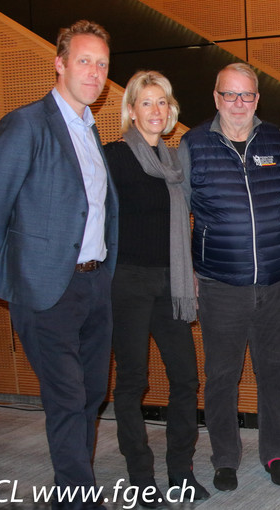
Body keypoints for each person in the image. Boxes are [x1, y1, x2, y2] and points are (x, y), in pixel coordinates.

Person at [0, 20, 117, 509]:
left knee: (91, 393)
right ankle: (77, 500)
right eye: (84, 61)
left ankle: (68, 491)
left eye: (102, 64)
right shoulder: (26, 124)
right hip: (45, 288)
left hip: (94, 285)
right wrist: (18, 268)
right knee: (67, 398)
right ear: (59, 64)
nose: (94, 73)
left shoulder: (91, 131)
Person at [179, 63, 280, 491]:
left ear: (257, 99)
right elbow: (178, 216)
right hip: (220, 285)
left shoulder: (278, 140)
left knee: (273, 374)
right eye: (230, 94)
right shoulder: (193, 144)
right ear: (216, 97)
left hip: (277, 282)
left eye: (247, 95)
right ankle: (225, 458)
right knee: (222, 377)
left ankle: (274, 452)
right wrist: (187, 272)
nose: (239, 103)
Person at [104, 70, 209, 506]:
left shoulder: (175, 163)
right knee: (132, 381)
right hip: (127, 282)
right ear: (131, 110)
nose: (155, 110)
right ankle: (141, 477)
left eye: (162, 102)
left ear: (171, 111)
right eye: (146, 102)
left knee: (186, 379)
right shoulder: (113, 156)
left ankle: (180, 471)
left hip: (171, 282)